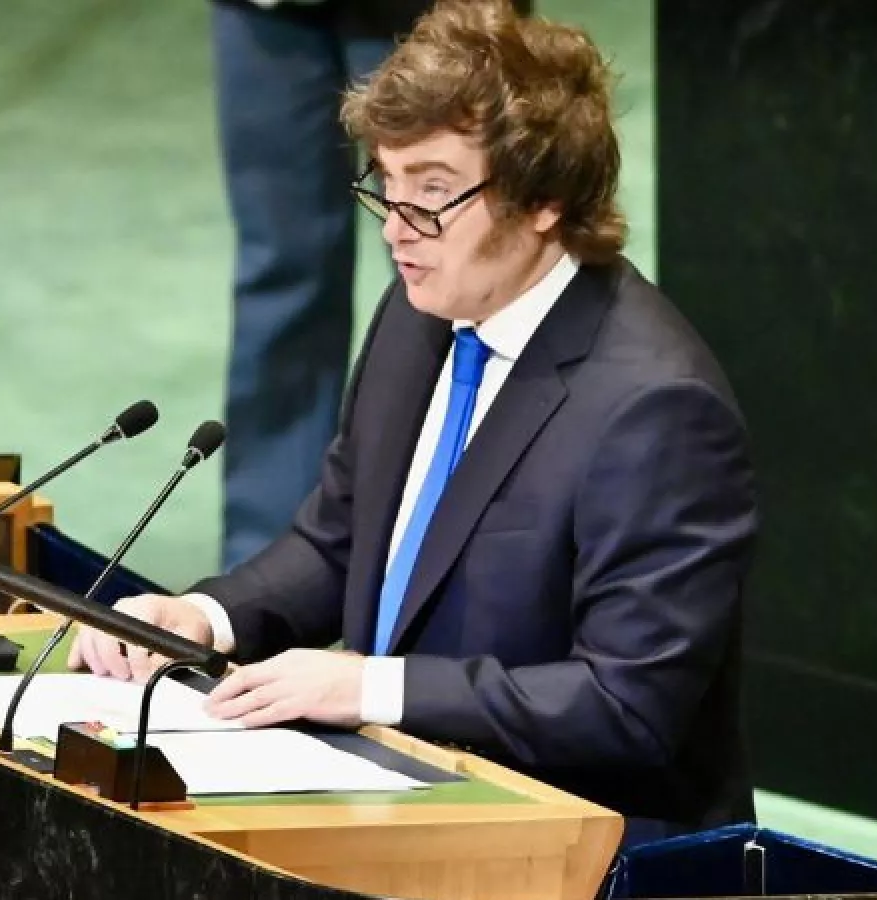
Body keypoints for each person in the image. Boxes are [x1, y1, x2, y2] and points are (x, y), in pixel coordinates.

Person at [76, 0, 759, 871]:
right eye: (387, 184)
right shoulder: (419, 313)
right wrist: (202, 617)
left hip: (583, 856)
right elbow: (339, 542)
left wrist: (372, 687)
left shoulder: (656, 408)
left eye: (433, 192)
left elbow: (626, 704)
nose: (397, 226)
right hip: (411, 808)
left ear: (544, 198)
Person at [212, 0, 528, 570]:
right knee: (279, 279)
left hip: (427, 9)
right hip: (267, 13)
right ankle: (265, 572)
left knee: (455, 265)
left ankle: (473, 550)